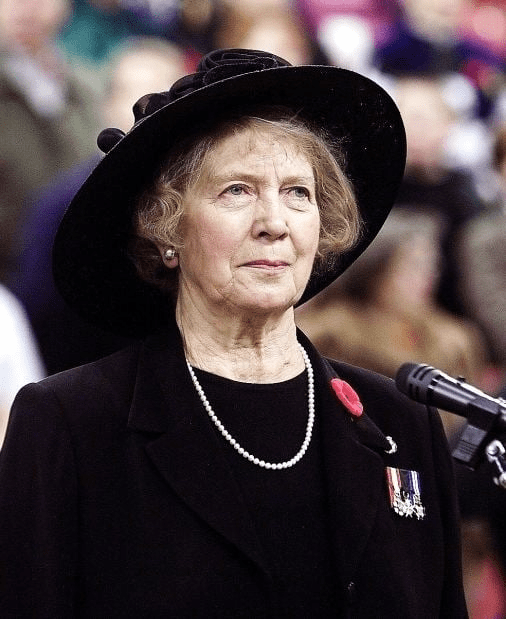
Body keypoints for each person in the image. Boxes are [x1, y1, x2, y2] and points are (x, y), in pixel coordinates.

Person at [0, 48, 468, 617]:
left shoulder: (403, 424)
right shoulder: (70, 424)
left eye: (298, 193)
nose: (274, 223)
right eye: (237, 191)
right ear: (167, 228)